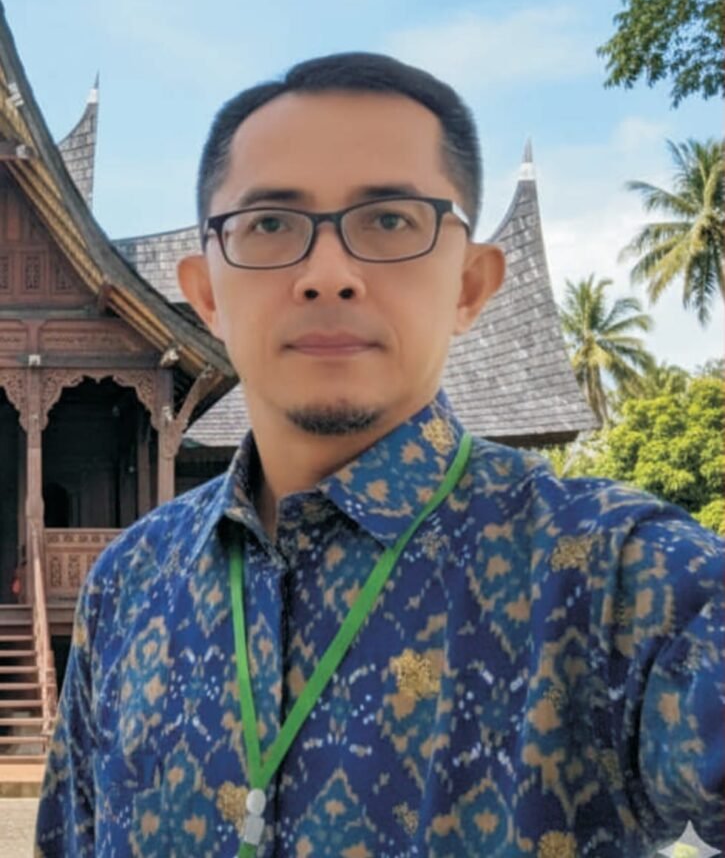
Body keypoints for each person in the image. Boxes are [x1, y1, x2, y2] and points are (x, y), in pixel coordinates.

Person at [36, 54, 723, 858]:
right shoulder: (126, 587)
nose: (327, 276)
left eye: (390, 220)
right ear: (206, 294)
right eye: (270, 224)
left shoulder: (619, 577)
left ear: (469, 284)